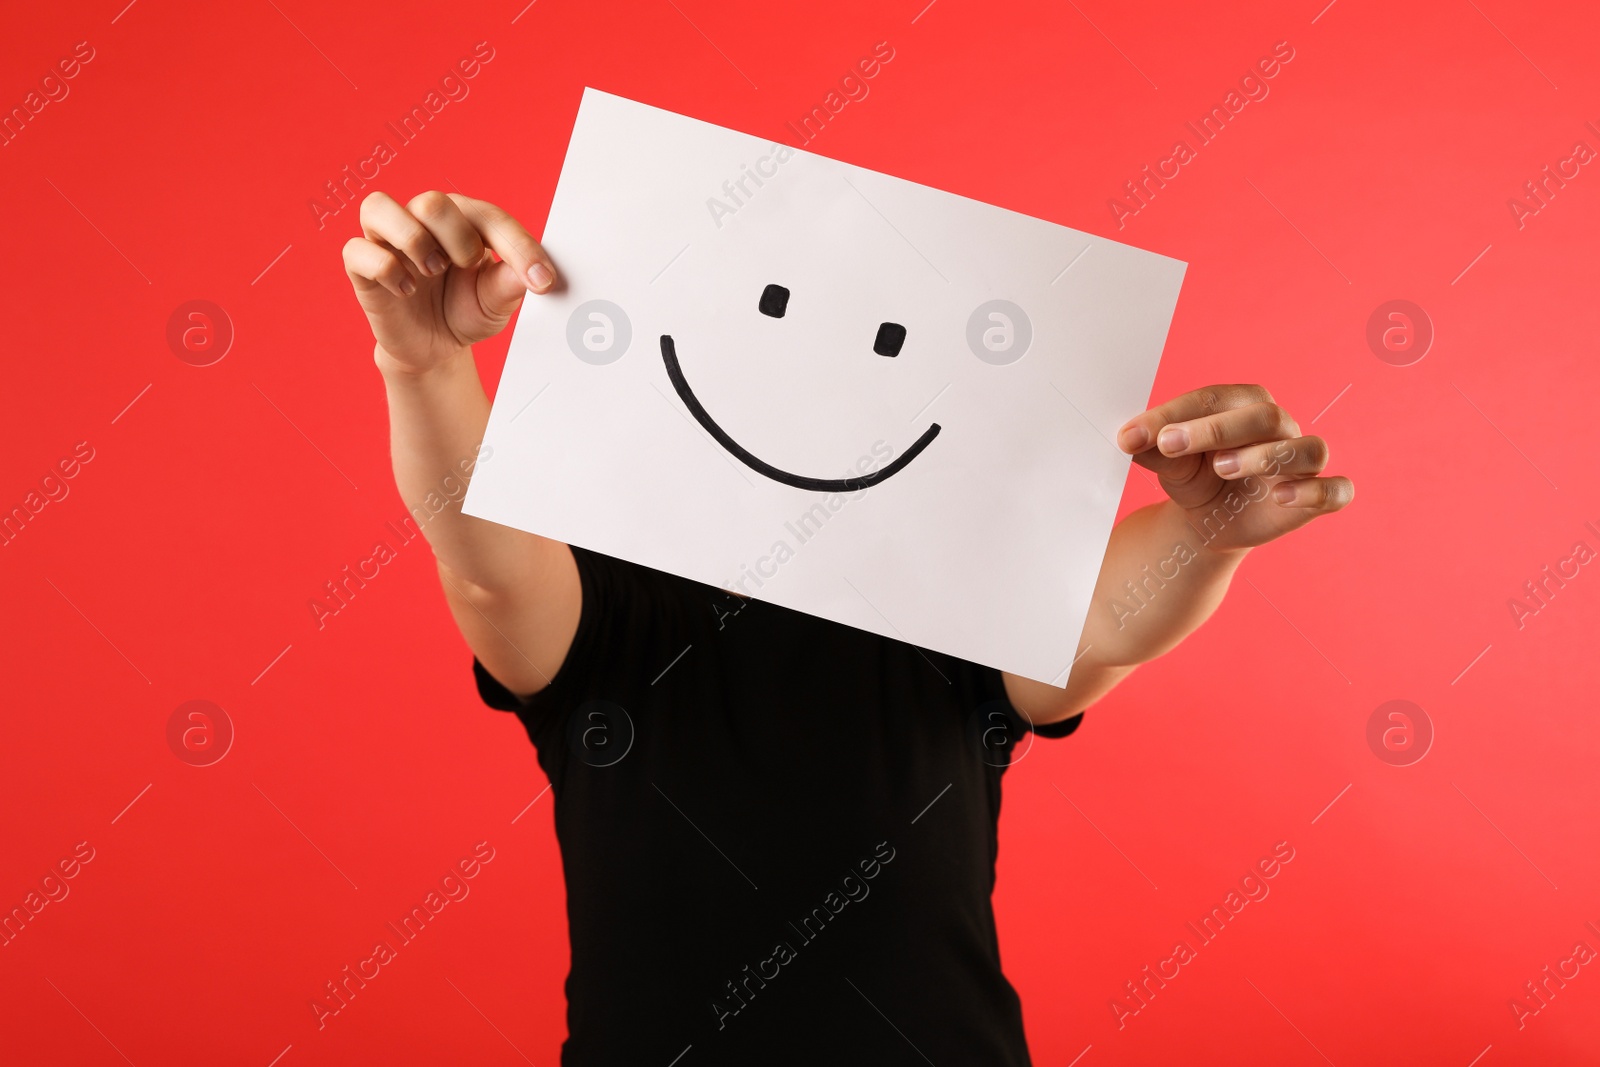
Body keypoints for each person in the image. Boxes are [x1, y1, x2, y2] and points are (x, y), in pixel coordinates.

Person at [343, 189, 1354, 1065]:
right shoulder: (604, 609)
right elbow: (486, 568)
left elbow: (1100, 624)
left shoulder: (945, 601)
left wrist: (1208, 528)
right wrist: (423, 367)